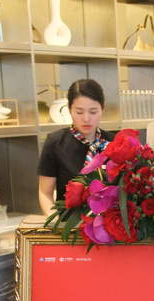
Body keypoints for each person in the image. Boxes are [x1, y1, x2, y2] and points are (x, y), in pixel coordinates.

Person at [37, 79, 114, 215]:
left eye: (93, 112)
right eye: (79, 112)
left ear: (103, 108)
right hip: (68, 223)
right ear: (69, 108)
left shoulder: (114, 143)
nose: (86, 118)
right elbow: (45, 193)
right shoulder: (55, 142)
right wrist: (55, 222)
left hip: (108, 223)